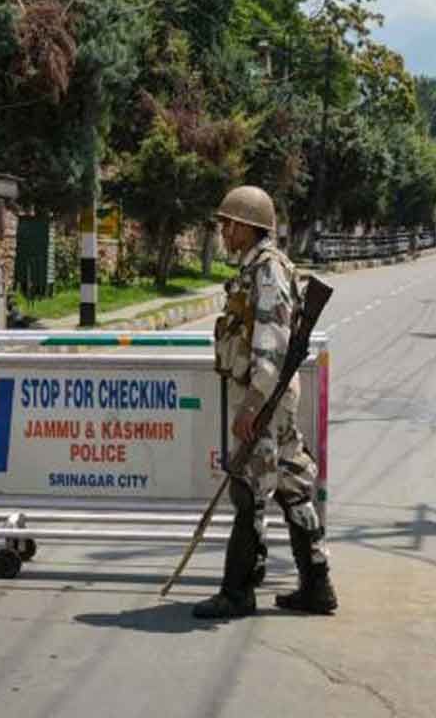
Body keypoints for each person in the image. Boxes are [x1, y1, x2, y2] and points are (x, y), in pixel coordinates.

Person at [192, 185, 338, 619]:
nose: (223, 231)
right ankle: (317, 586)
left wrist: (252, 404)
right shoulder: (254, 267)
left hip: (264, 396)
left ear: (244, 226)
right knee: (293, 485)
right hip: (270, 396)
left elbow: (270, 342)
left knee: (249, 489)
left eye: (227, 224)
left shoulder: (266, 270)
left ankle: (237, 592)